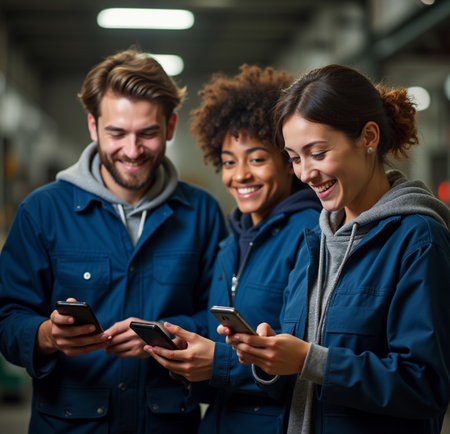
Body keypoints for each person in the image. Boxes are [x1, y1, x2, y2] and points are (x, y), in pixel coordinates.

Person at [0, 48, 227, 433]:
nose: (132, 150)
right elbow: (7, 316)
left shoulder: (201, 213)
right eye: (116, 133)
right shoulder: (42, 211)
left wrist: (163, 336)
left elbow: (223, 317)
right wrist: (47, 335)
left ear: (170, 127)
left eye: (148, 134)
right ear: (93, 126)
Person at [224, 64, 450, 434]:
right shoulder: (315, 242)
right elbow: (300, 377)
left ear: (368, 137)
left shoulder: (418, 239)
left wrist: (312, 361)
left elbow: (425, 385)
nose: (305, 173)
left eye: (317, 152)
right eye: (295, 158)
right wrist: (268, 359)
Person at [142, 64, 322, 434]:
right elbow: (220, 337)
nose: (239, 175)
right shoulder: (230, 242)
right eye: (228, 162)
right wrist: (179, 339)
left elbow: (303, 359)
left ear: (289, 162)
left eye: (256, 159)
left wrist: (216, 364)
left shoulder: (309, 235)